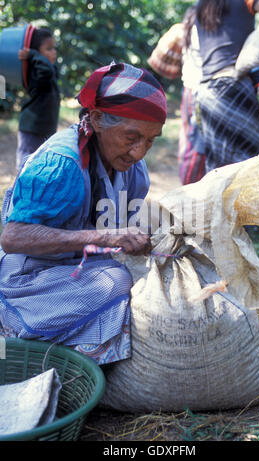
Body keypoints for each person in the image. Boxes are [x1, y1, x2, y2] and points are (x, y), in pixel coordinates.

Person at [0, 62, 167, 366]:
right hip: (27, 278)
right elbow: (13, 237)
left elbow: (121, 223)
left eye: (151, 140)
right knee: (115, 282)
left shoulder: (132, 171)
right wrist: (106, 236)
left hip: (71, 270)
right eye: (132, 137)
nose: (140, 152)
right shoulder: (62, 164)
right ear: (99, 119)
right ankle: (18, 334)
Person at [193, 0, 259, 176]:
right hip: (232, 87)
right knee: (254, 164)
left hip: (206, 92)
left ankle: (222, 204)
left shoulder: (203, 4)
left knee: (220, 169)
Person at [16, 27, 60, 171]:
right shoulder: (37, 73)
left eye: (54, 48)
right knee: (26, 166)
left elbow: (52, 71)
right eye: (49, 49)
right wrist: (33, 55)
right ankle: (19, 192)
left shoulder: (49, 72)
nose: (54, 52)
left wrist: (40, 57)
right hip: (31, 129)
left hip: (45, 130)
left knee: (40, 166)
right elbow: (46, 70)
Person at [178, 6, 205, 185]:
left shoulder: (188, 29)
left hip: (188, 90)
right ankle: (191, 190)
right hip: (199, 92)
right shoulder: (202, 30)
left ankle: (189, 186)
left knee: (189, 140)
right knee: (198, 144)